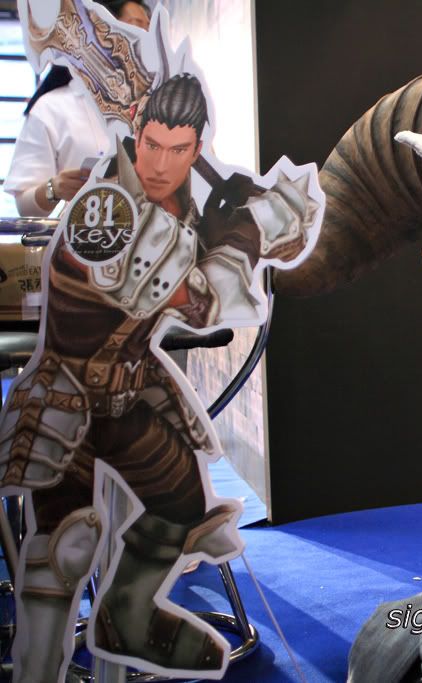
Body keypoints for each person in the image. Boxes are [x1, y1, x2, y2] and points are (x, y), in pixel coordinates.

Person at [0, 72, 319, 682]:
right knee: (64, 548)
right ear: (135, 134)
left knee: (183, 507)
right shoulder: (107, 205)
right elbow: (195, 298)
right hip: (66, 401)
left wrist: (255, 216)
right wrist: (246, 232)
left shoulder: (185, 205)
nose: (160, 164)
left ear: (197, 149)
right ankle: (37, 672)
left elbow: (285, 240)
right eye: (152, 144)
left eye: (178, 149)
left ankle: (126, 615)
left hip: (128, 394)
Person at [2, 0, 150, 217]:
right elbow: (25, 208)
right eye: (134, 26)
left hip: (150, 235)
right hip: (81, 234)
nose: (144, 40)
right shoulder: (51, 108)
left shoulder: (158, 103)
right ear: (98, 34)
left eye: (148, 29)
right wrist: (54, 188)